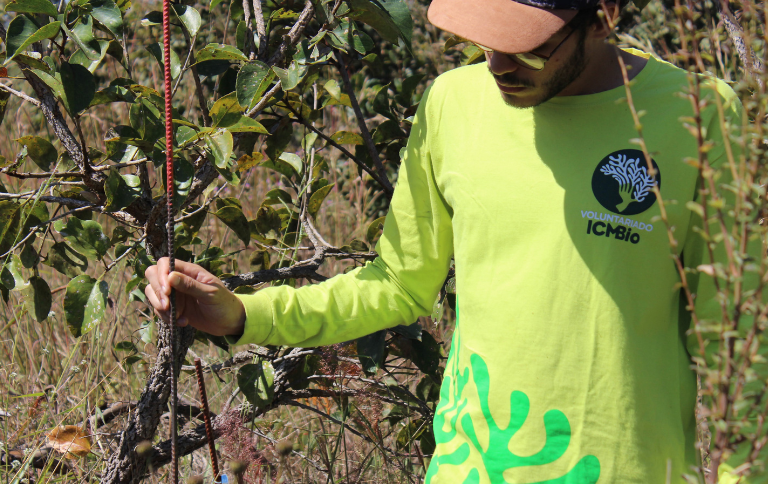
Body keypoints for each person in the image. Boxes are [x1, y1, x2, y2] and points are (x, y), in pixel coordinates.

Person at [145, 0, 747, 482]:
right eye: (484, 39)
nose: (498, 64)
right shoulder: (451, 104)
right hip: (473, 465)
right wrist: (246, 313)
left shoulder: (698, 116)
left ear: (604, 15)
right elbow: (399, 283)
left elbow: (738, 348)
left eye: (527, 44)